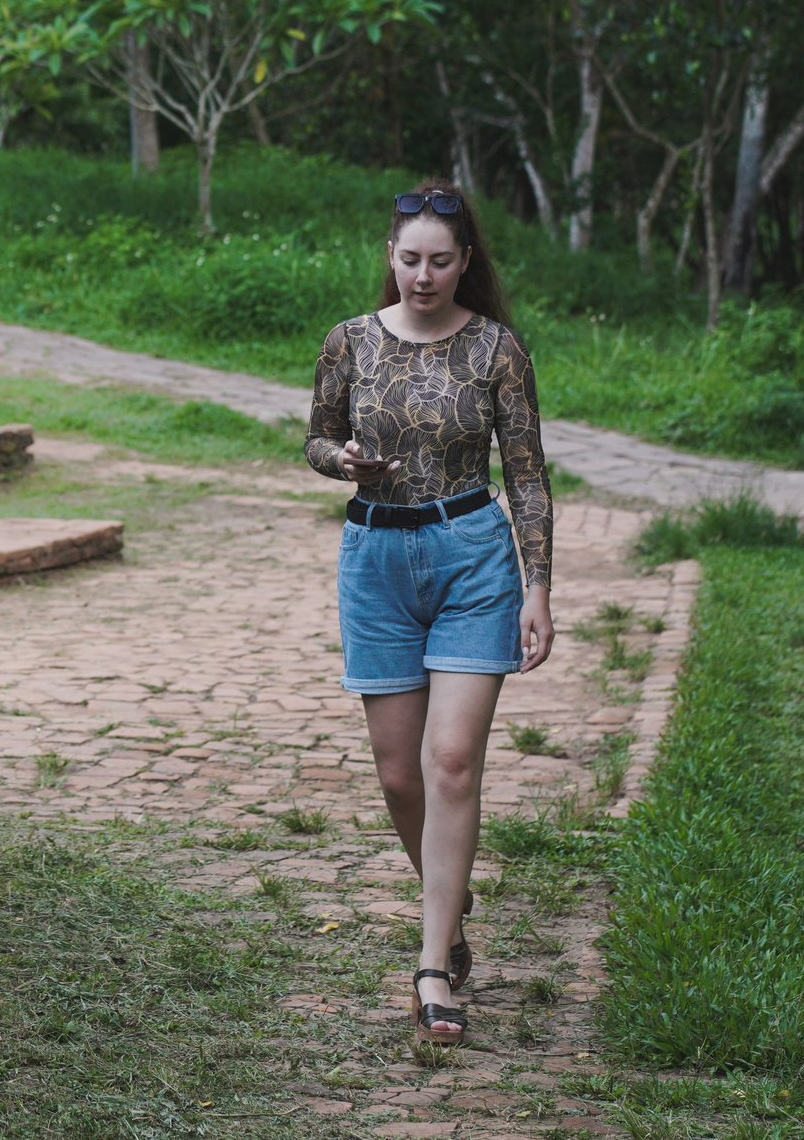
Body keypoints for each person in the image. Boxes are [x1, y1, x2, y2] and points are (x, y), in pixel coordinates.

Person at [305, 181, 555, 1043]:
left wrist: (537, 588)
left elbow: (526, 473)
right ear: (390, 256)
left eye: (440, 260)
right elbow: (314, 437)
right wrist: (339, 457)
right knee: (399, 775)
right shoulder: (349, 343)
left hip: (471, 557)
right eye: (409, 258)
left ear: (466, 263)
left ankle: (432, 962)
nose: (423, 275)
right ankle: (452, 895)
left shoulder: (497, 349)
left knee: (450, 760)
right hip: (375, 559)